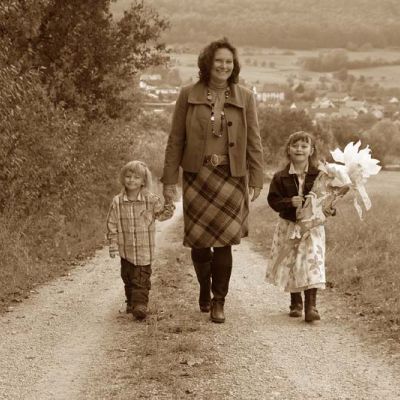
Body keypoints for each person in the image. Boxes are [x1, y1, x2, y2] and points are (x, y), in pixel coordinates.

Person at [161, 37, 264, 323]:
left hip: (231, 177)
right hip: (197, 176)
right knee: (199, 242)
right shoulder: (188, 94)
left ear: (234, 66)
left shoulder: (245, 97)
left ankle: (219, 300)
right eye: (219, 60)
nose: (223, 66)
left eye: (229, 61)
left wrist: (257, 176)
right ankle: (204, 288)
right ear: (208, 63)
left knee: (224, 242)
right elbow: (175, 139)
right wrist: (169, 180)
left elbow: (254, 140)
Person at [266, 131, 327, 322]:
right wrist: (289, 202)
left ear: (311, 150)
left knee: (311, 261)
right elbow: (273, 201)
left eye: (304, 146)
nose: (299, 149)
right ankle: (296, 303)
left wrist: (330, 209)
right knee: (292, 262)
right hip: (289, 225)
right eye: (295, 145)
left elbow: (325, 200)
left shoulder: (321, 175)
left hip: (312, 227)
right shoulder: (280, 177)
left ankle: (311, 306)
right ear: (288, 149)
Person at [107, 160, 174, 320]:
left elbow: (163, 216)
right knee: (128, 279)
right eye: (128, 176)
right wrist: (113, 243)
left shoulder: (151, 200)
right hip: (126, 250)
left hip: (144, 251)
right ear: (123, 178)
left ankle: (140, 306)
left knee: (141, 279)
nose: (132, 180)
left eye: (136, 177)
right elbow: (112, 223)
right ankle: (131, 302)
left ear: (143, 181)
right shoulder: (117, 201)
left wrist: (169, 202)